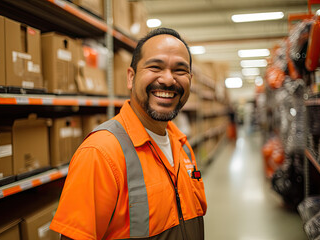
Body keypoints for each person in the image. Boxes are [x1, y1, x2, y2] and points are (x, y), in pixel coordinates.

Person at [50, 27, 207, 240]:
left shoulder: (182, 145)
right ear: (131, 77)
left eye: (180, 70)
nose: (169, 80)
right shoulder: (100, 153)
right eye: (155, 67)